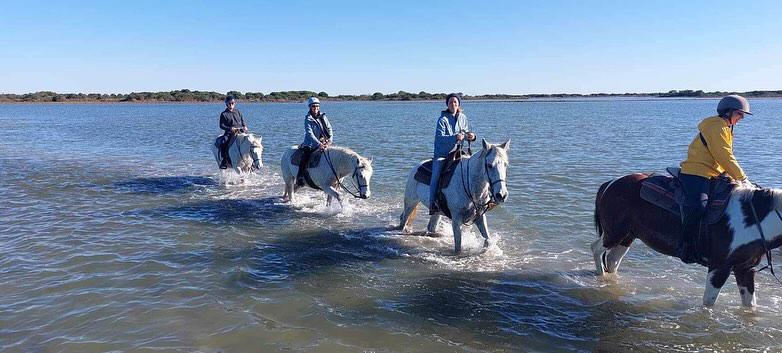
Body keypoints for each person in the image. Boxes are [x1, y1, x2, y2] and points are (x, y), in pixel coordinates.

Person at [678, 95, 753, 263]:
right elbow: (724, 155)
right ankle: (686, 245)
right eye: (740, 114)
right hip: (696, 172)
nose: (741, 118)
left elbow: (724, 158)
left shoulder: (725, 127)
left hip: (713, 173)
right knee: (698, 207)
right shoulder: (716, 127)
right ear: (728, 112)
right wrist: (742, 178)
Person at [429, 93, 476, 214]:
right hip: (442, 154)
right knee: (436, 174)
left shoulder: (463, 117)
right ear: (447, 105)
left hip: (458, 152)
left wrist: (471, 136)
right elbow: (439, 138)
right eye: (450, 102)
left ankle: (476, 199)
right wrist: (455, 137)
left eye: (455, 102)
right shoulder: (442, 119)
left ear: (459, 104)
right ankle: (432, 203)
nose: (453, 104)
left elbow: (465, 133)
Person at [297, 96, 333, 185]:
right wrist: (319, 143)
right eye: (313, 106)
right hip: (310, 143)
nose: (315, 108)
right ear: (310, 107)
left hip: (324, 141)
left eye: (317, 106)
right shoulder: (307, 119)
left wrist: (330, 140)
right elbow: (310, 134)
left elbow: (329, 128)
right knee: (305, 157)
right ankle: (300, 177)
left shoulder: (323, 117)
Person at [218, 95, 247, 169]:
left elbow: (243, 120)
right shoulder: (223, 114)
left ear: (235, 103)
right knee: (223, 142)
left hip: (240, 131)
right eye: (229, 103)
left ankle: (251, 161)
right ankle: (224, 161)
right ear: (226, 104)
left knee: (250, 141)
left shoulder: (238, 112)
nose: (231, 105)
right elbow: (221, 125)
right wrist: (230, 128)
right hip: (229, 133)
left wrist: (244, 126)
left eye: (232, 103)